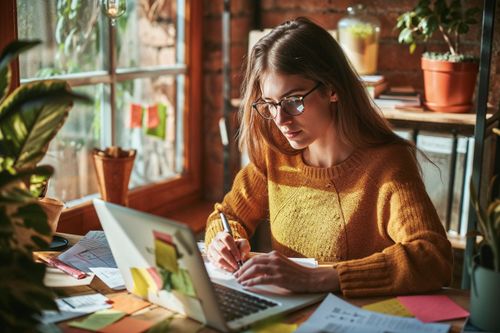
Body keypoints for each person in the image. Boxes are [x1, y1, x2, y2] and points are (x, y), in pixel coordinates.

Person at [204, 17, 452, 298]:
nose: (280, 120)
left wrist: (320, 278)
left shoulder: (387, 165)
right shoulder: (276, 156)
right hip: (289, 316)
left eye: (293, 101)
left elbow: (433, 257)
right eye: (271, 105)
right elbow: (227, 215)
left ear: (331, 88)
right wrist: (223, 241)